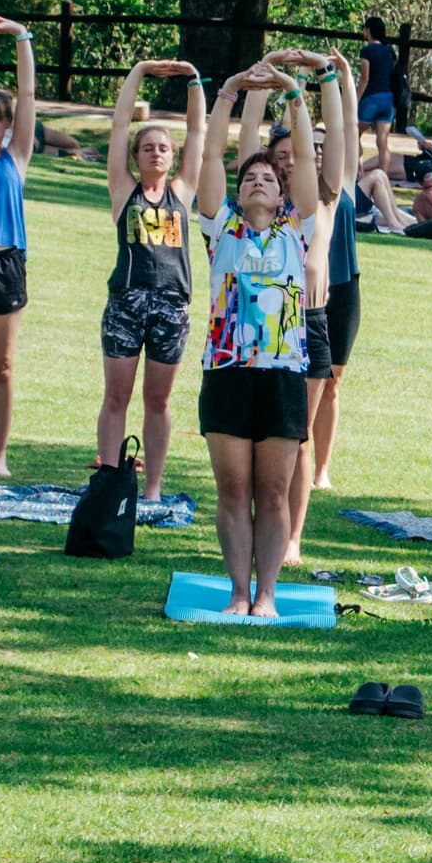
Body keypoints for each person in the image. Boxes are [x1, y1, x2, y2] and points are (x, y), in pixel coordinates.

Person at [183, 62, 326, 614]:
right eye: (250, 179)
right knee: (233, 491)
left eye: (268, 177)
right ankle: (238, 595)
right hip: (226, 372)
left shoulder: (299, 230)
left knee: (272, 494)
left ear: (281, 191)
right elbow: (210, 156)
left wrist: (293, 95)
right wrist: (227, 93)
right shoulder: (220, 229)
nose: (258, 182)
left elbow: (308, 161)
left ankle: (266, 595)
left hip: (284, 374)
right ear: (238, 195)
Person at [97, 57, 201, 498]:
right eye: (147, 148)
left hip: (171, 306)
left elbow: (199, 133)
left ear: (172, 157)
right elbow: (120, 127)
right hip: (127, 302)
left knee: (157, 401)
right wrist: (139, 71)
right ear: (136, 158)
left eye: (163, 148)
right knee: (116, 397)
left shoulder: (182, 191)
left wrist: (194, 80)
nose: (156, 152)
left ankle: (153, 487)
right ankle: (108, 481)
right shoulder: (125, 191)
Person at [298, 52, 365, 529]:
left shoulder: (344, 182)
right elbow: (292, 134)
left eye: (326, 143)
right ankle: (298, 453)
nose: (320, 149)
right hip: (308, 293)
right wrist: (297, 86)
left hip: (345, 288)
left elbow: (352, 132)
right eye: (314, 143)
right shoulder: (302, 188)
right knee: (307, 382)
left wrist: (344, 81)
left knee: (333, 382)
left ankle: (321, 469)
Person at [0, 15, 34, 478]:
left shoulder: (17, 157)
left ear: (5, 124)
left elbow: (29, 94)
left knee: (0, 368)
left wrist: (20, 36)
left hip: (4, 267)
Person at [354, 17, 403, 153]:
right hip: (388, 99)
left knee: (354, 135)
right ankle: (384, 174)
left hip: (371, 99)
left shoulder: (367, 51)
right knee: (382, 142)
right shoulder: (389, 51)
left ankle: (359, 169)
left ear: (368, 30)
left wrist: (356, 98)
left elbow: (365, 78)